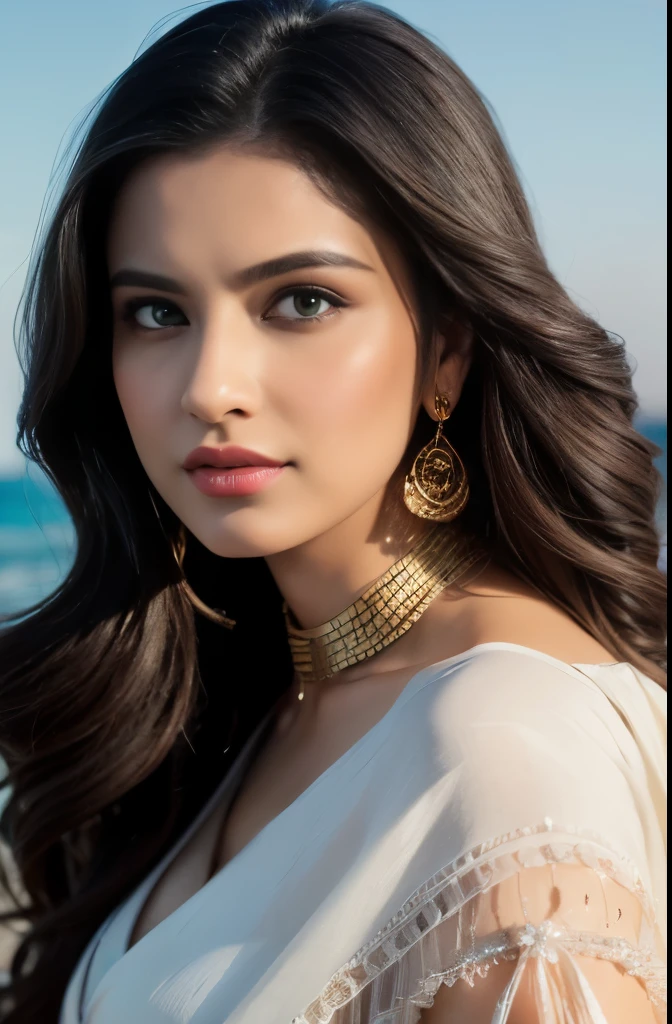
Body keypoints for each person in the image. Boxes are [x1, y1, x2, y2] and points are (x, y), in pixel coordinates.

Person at [0, 1, 666, 1021]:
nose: (209, 385)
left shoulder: (503, 750)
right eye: (158, 313)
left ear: (447, 346)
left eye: (301, 300)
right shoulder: (277, 693)